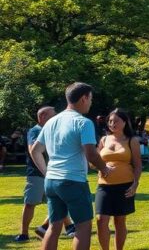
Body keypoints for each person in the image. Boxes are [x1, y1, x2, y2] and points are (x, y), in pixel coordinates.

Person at [29, 82, 111, 250]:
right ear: (84, 98)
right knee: (83, 227)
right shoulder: (83, 122)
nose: (91, 103)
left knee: (54, 226)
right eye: (91, 99)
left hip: (51, 181)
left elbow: (35, 150)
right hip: (73, 180)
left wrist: (46, 172)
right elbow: (91, 154)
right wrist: (105, 168)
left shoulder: (51, 122)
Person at [17, 106, 74, 243]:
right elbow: (33, 150)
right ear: (42, 116)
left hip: (54, 172)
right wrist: (45, 171)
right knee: (30, 203)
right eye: (52, 116)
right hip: (37, 174)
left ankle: (68, 227)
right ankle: (24, 233)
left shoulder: (52, 130)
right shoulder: (35, 131)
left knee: (60, 200)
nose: (56, 119)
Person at [95, 109, 142, 250]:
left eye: (116, 121)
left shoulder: (132, 141)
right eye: (110, 121)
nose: (112, 123)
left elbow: (138, 166)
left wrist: (135, 184)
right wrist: (102, 166)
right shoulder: (103, 140)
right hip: (104, 185)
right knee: (101, 219)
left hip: (124, 186)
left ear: (125, 122)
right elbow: (93, 162)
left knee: (119, 221)